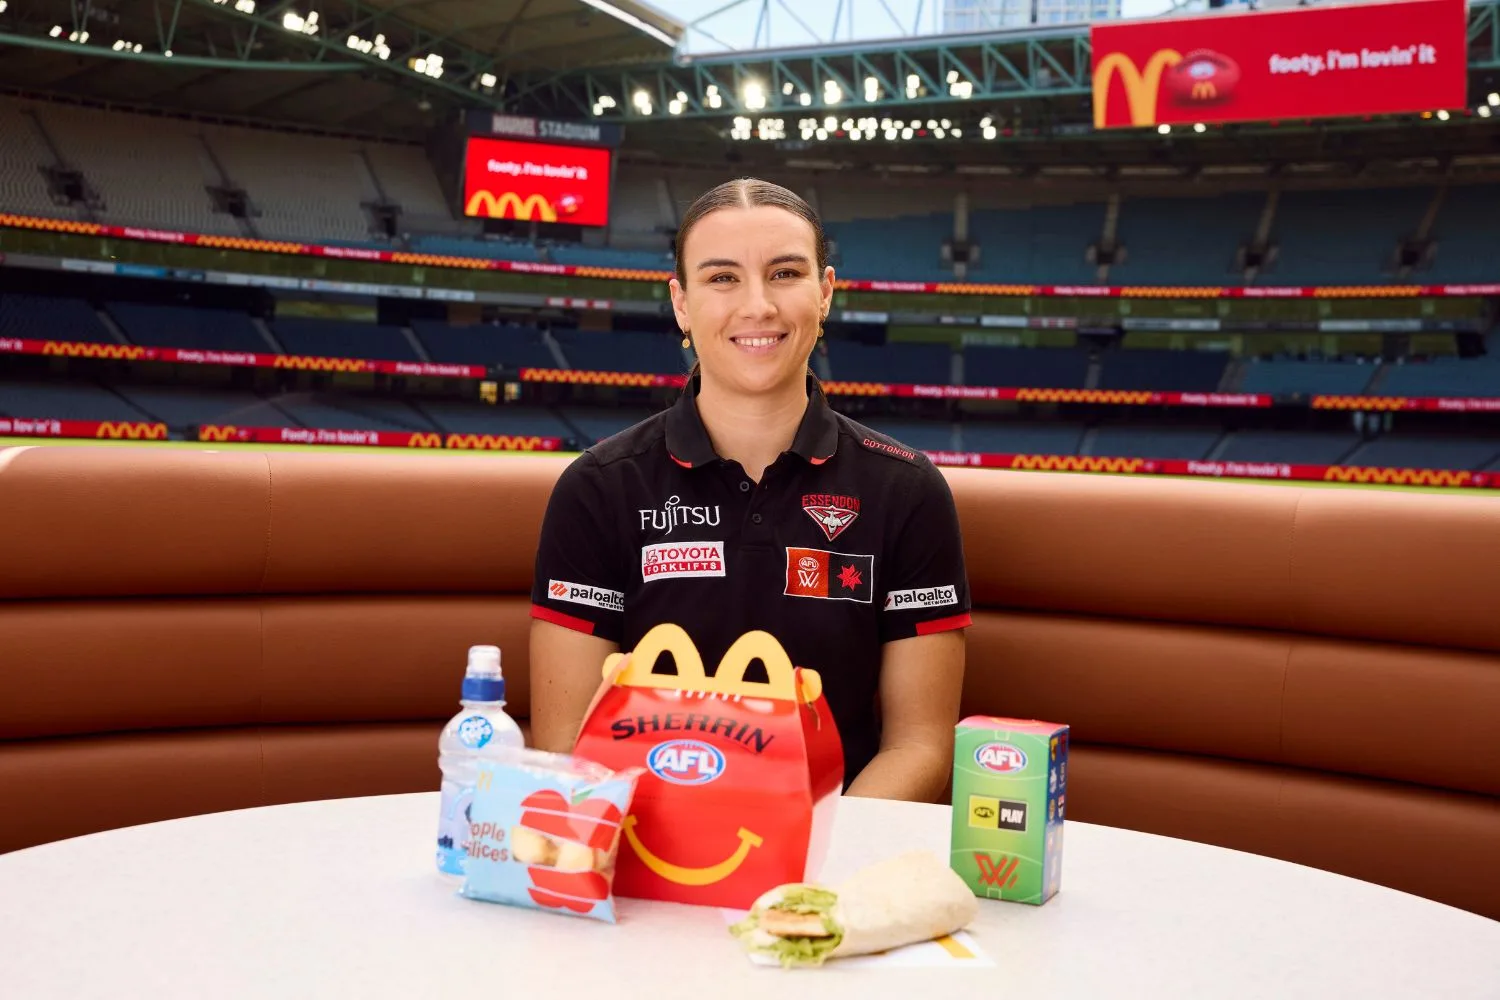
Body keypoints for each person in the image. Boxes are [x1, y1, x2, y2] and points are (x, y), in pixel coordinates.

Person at [527, 177, 971, 803]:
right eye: (723, 278)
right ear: (681, 303)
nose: (757, 305)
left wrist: (810, 860)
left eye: (785, 273)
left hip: (830, 863)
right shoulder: (598, 489)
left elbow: (919, 746)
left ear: (825, 293)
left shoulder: (908, 490)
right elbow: (569, 746)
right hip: (648, 857)